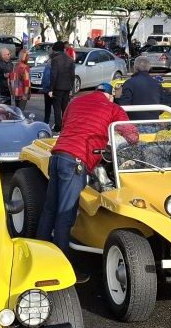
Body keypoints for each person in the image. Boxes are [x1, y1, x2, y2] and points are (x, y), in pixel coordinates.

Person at [37, 82, 138, 276]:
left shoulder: (76, 102)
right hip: (76, 160)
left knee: (50, 208)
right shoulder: (112, 107)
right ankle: (62, 266)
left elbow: (67, 124)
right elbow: (132, 136)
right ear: (110, 96)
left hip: (57, 156)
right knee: (66, 212)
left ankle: (40, 255)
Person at [117, 56, 166, 120]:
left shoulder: (129, 83)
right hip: (153, 124)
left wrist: (117, 97)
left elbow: (123, 106)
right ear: (149, 68)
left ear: (135, 68)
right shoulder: (157, 83)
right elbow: (163, 105)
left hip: (134, 124)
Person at [49, 42, 77, 131]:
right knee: (65, 107)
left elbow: (54, 75)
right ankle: (65, 125)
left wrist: (51, 89)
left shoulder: (55, 60)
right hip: (67, 87)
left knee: (57, 107)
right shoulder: (70, 59)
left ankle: (58, 126)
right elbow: (72, 75)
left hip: (58, 87)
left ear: (55, 49)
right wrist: (71, 88)